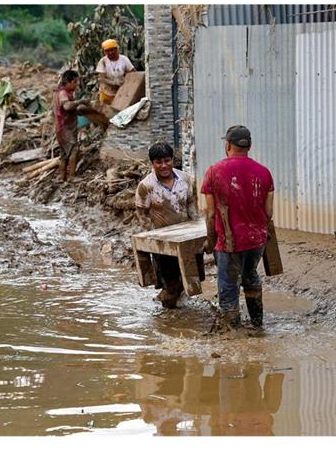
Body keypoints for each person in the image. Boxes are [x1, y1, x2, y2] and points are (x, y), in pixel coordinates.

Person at [201, 125, 274, 332]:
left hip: (229, 241)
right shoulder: (264, 172)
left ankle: (232, 331)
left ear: (228, 145)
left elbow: (211, 213)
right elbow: (269, 213)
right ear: (249, 146)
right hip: (256, 241)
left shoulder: (214, 171)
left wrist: (210, 240)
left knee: (228, 285)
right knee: (250, 275)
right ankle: (258, 324)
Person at [135, 142, 198, 309]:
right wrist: (152, 239)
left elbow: (192, 206)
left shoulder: (185, 179)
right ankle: (168, 313)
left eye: (167, 160)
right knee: (170, 283)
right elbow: (142, 214)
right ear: (152, 164)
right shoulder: (146, 186)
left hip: (187, 239)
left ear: (173, 160)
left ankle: (175, 311)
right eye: (158, 162)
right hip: (163, 245)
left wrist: (197, 231)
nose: (164, 166)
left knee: (190, 281)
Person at [53, 69, 90, 180]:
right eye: (75, 82)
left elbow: (68, 109)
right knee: (74, 150)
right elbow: (67, 106)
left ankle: (62, 177)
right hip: (65, 128)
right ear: (69, 82)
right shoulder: (63, 93)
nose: (77, 85)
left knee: (64, 155)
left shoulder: (59, 92)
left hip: (61, 128)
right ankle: (72, 176)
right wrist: (80, 101)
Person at [96, 39, 135, 105]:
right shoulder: (103, 61)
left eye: (112, 50)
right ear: (104, 52)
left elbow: (133, 73)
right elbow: (101, 78)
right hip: (106, 93)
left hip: (121, 92)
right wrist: (113, 83)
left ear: (117, 49)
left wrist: (127, 83)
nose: (110, 52)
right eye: (107, 51)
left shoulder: (124, 59)